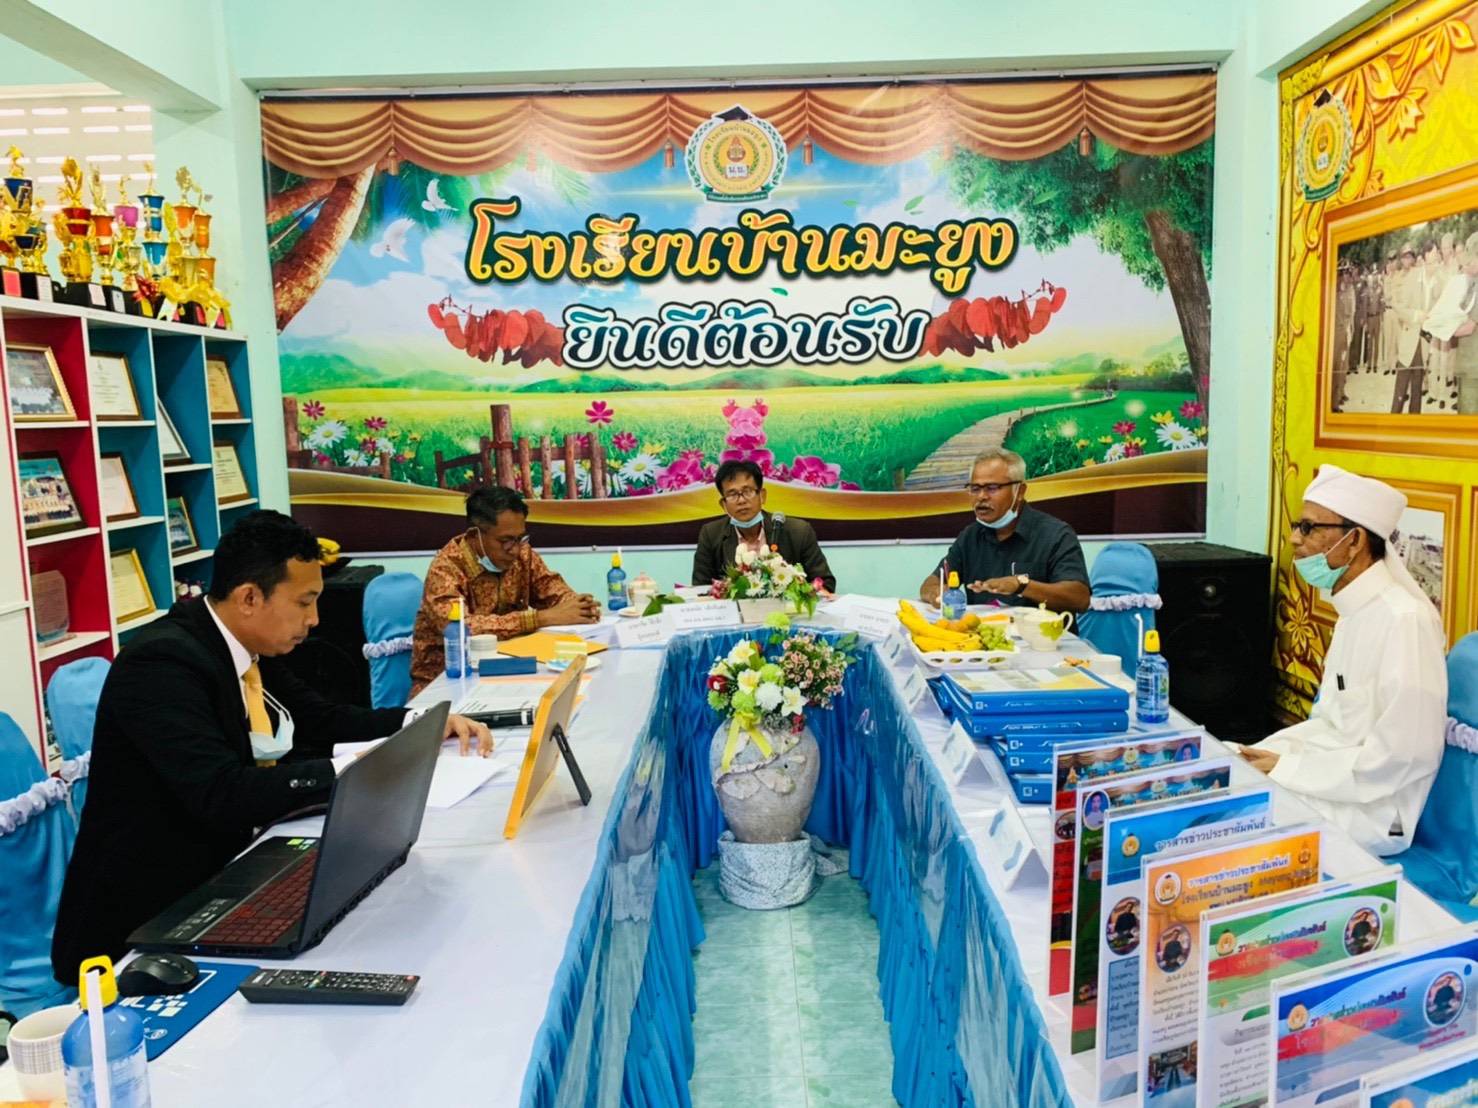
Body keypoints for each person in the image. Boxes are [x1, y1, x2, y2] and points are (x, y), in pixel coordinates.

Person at [51, 510, 492, 981]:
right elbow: (221, 792)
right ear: (249, 598)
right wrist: (346, 772)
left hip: (226, 873)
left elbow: (321, 719)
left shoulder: (247, 645)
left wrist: (421, 722)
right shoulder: (161, 664)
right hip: (145, 920)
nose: (314, 619)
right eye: (304, 602)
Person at [1241, 466, 1446, 856]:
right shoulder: (1353, 612)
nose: (1294, 538)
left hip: (1377, 812)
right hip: (1334, 783)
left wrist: (1287, 768)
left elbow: (1402, 757)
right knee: (1228, 768)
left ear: (1354, 541)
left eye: (1308, 527)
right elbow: (1332, 727)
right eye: (1297, 526)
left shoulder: (1404, 621)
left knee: (1242, 812)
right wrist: (1262, 754)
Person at [410, 485, 600, 695]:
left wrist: (579, 607)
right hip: (446, 683)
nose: (515, 550)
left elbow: (552, 590)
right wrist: (539, 618)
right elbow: (464, 629)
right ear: (474, 536)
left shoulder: (522, 555)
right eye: (506, 541)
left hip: (507, 673)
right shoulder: (445, 569)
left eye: (521, 538)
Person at [918, 448, 1089, 612]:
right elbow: (932, 582)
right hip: (983, 631)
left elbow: (1079, 599)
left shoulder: (1056, 534)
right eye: (975, 488)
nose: (981, 496)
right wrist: (936, 593)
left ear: (1020, 491)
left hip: (1039, 632)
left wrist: (1021, 585)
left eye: (992, 488)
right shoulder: (970, 536)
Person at [691, 460, 836, 592]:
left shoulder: (798, 531)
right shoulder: (711, 535)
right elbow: (701, 590)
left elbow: (825, 583)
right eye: (732, 495)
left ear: (762, 496)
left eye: (747, 492)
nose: (741, 501)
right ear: (723, 504)